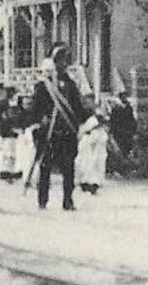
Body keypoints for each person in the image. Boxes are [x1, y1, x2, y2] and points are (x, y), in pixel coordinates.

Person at [29, 44, 92, 210]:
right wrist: (40, 121)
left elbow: (77, 107)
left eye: (65, 60)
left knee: (68, 166)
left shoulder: (70, 84)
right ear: (54, 62)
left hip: (66, 131)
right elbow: (35, 109)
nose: (64, 63)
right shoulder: (44, 85)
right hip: (49, 131)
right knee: (45, 166)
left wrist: (88, 116)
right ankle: (43, 199)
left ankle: (68, 200)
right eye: (61, 60)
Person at [76, 104, 112, 196]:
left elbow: (103, 137)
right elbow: (87, 135)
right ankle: (86, 183)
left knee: (96, 165)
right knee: (87, 164)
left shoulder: (100, 128)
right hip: (89, 147)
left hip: (97, 148)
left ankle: (93, 184)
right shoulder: (91, 122)